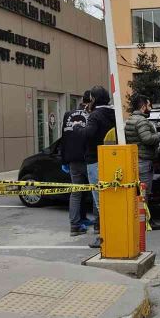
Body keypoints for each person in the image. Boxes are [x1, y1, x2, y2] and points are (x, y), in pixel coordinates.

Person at [81, 86, 116, 248]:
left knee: (100, 201)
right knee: (111, 199)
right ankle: (115, 232)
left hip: (95, 160)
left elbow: (88, 135)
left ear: (93, 99)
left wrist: (78, 129)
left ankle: (104, 236)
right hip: (112, 159)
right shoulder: (113, 113)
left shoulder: (95, 115)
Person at [125, 95, 160, 231]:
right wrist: (159, 136)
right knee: (144, 193)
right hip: (144, 160)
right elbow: (147, 138)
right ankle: (145, 220)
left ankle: (139, 219)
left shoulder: (130, 119)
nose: (150, 108)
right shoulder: (142, 121)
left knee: (137, 192)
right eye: (149, 105)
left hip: (135, 159)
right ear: (143, 107)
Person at [60, 90, 93, 236]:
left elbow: (64, 138)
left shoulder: (68, 115)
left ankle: (75, 224)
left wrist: (64, 159)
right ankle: (99, 225)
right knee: (95, 191)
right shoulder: (92, 116)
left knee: (76, 192)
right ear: (91, 101)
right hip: (87, 159)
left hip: (72, 159)